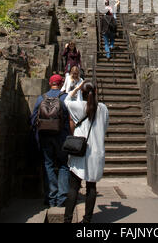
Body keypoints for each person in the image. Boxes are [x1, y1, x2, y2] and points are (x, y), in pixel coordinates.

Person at [64, 81, 109, 224]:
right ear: (95, 92)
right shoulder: (103, 109)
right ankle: (87, 220)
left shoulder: (78, 106)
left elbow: (66, 100)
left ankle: (68, 219)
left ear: (81, 93)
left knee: (73, 187)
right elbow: (105, 127)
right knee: (91, 187)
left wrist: (76, 88)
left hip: (80, 151)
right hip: (95, 152)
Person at [31, 74, 70, 208]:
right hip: (62, 136)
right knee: (64, 165)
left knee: (48, 164)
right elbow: (71, 119)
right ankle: (62, 198)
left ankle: (51, 197)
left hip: (45, 136)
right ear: (61, 83)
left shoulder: (41, 98)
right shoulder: (65, 98)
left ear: (50, 83)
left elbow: (33, 118)